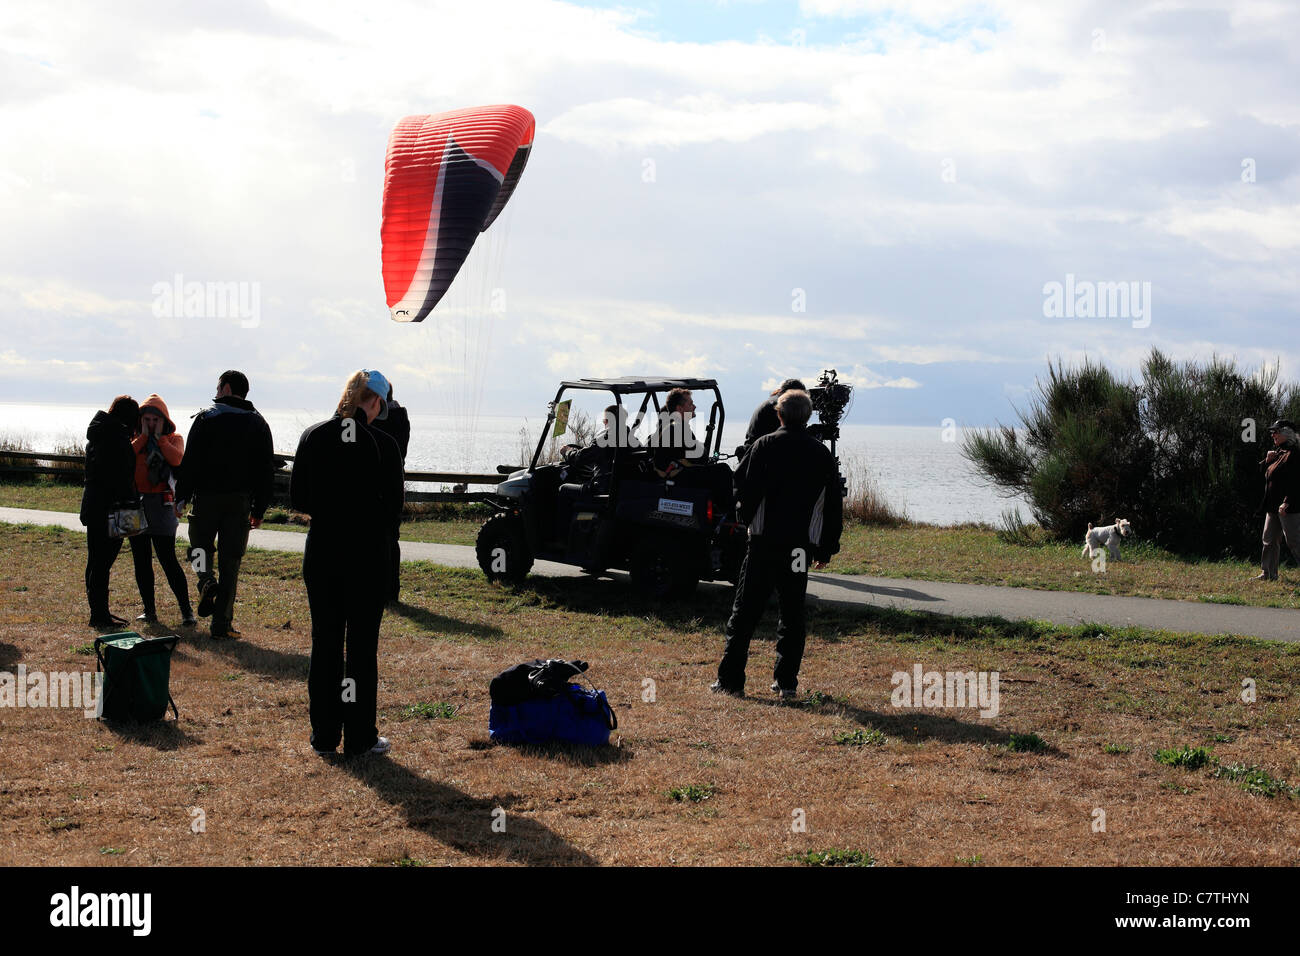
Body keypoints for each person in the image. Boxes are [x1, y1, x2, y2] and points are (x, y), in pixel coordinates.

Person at [291, 369, 404, 757]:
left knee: (325, 645)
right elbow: (394, 511)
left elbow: (300, 499)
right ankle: (359, 736)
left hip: (323, 551)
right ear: (373, 402)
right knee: (359, 649)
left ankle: (324, 736)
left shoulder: (313, 436)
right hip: (367, 556)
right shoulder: (384, 446)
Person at [712, 389, 842, 699]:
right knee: (793, 612)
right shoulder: (820, 453)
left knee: (745, 612)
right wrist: (825, 548)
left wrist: (745, 518)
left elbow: (742, 486)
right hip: (798, 548)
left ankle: (731, 681)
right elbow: (832, 505)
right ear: (807, 416)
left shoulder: (764, 445)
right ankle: (786, 682)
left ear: (779, 415)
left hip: (763, 542)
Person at [175, 370, 275, 640]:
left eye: (218, 388)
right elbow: (265, 470)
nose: (216, 393)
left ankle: (205, 579)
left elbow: (190, 461)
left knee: (199, 548)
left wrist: (181, 497)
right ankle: (221, 624)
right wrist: (259, 509)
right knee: (231, 563)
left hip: (205, 498)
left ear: (227, 388)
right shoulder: (258, 423)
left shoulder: (206, 418)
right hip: (239, 502)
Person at [130, 395, 194, 626]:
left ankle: (186, 611)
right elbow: (126, 456)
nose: (150, 423)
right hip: (136, 504)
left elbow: (177, 460)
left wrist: (160, 440)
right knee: (141, 560)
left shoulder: (174, 439)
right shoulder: (134, 439)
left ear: (164, 420)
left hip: (162, 504)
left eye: (155, 419)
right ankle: (149, 610)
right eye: (146, 419)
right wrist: (144, 437)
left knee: (168, 560)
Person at [80, 395, 140, 629]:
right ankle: (99, 614)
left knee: (95, 561)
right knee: (102, 563)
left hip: (95, 506)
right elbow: (121, 479)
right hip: (112, 508)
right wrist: (132, 509)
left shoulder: (100, 433)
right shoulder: (117, 438)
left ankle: (99, 611)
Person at [371, 381, 410, 603]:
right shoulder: (402, 418)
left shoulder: (383, 421)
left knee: (381, 540)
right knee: (390, 538)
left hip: (380, 485)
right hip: (394, 484)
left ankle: (381, 590)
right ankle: (390, 590)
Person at [1255, 418, 1300, 582]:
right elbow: (1264, 474)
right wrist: (1266, 461)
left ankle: (1269, 574)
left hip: (1288, 507)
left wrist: (1287, 501)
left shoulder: (1295, 454)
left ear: (1286, 433)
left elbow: (1296, 482)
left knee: (1294, 541)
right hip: (1273, 506)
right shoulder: (1279, 453)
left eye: (1276, 431)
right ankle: (1268, 574)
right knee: (1268, 540)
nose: (1272, 434)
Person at [738, 378, 805, 459]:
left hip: (754, 451)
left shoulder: (772, 402)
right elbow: (787, 437)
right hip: (761, 456)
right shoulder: (780, 406)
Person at [653, 388, 703, 479]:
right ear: (680, 408)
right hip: (678, 478)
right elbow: (700, 457)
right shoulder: (677, 428)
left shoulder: (677, 427)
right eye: (690, 404)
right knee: (723, 469)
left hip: (680, 473)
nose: (694, 406)